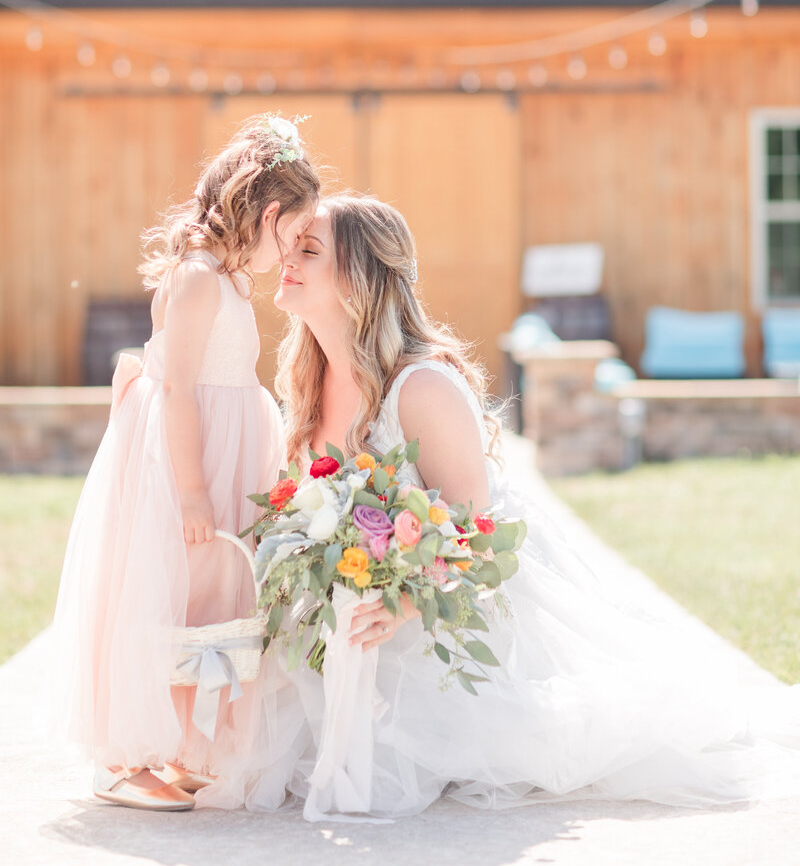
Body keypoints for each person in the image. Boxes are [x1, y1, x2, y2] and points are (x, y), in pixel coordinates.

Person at [227, 192, 800, 820]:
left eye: (309, 249)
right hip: (359, 613)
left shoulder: (421, 388)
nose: (287, 259)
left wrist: (406, 602)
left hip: (451, 608)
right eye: (290, 246)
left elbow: (477, 529)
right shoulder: (310, 380)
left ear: (361, 278)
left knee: (542, 746)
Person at [50, 114, 319, 811]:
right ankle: (130, 754)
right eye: (291, 235)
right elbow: (176, 388)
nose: (289, 253)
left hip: (224, 445)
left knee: (205, 603)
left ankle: (180, 746)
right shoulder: (199, 277)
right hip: (187, 455)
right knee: (163, 591)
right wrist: (193, 489)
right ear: (266, 214)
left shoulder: (227, 280)